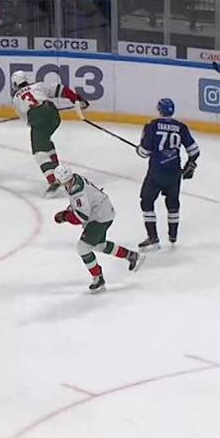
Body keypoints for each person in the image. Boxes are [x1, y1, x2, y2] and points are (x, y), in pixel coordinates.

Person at [51, 164, 143, 293]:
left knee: (83, 248)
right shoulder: (74, 180)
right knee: (99, 246)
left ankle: (98, 279)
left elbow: (81, 217)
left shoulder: (77, 192)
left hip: (100, 217)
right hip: (102, 211)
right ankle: (131, 256)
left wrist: (65, 216)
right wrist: (69, 211)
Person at [11, 70, 90, 196]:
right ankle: (58, 173)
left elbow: (27, 119)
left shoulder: (15, 99)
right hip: (53, 114)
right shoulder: (38, 85)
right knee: (46, 142)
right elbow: (61, 89)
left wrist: (36, 114)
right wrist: (76, 98)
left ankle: (53, 181)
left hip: (37, 118)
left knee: (39, 153)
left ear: (15, 84)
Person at [136, 98, 199, 251]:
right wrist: (190, 164)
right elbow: (194, 151)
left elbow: (144, 152)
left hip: (156, 172)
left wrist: (139, 149)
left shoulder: (152, 126)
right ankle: (173, 235)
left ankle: (153, 237)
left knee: (147, 201)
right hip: (174, 172)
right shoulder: (181, 127)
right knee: (173, 203)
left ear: (159, 110)